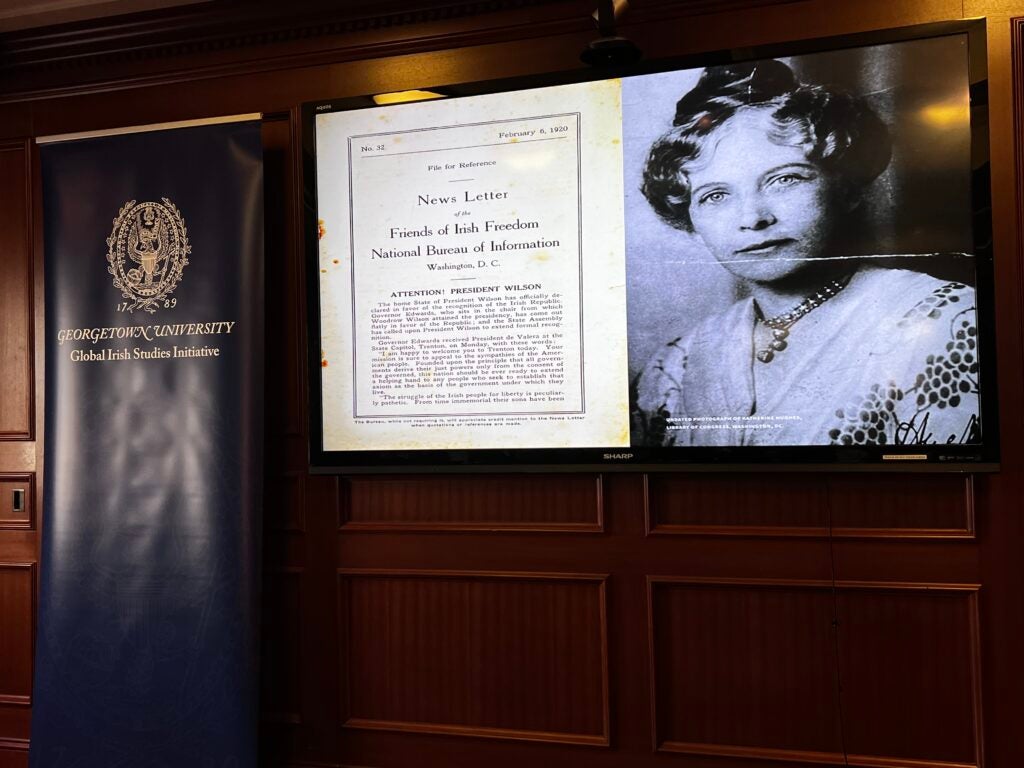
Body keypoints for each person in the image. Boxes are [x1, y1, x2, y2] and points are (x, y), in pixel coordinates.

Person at [631, 59, 980, 447]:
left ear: (847, 189)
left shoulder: (948, 322)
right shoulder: (677, 364)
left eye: (785, 179)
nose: (753, 218)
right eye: (715, 195)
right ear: (690, 222)